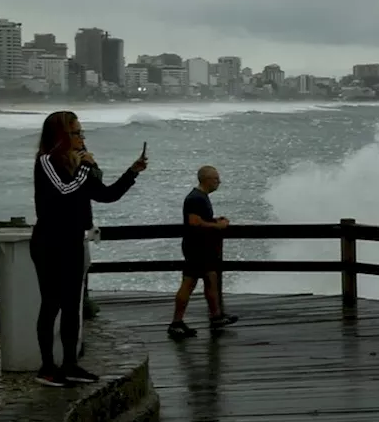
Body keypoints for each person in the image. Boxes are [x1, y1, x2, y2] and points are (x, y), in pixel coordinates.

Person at [31, 111, 147, 387]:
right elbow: (64, 189)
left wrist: (131, 173)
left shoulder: (79, 167)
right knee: (52, 303)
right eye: (76, 133)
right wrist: (86, 167)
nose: (81, 138)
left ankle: (70, 364)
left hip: (72, 240)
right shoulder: (46, 162)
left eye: (82, 133)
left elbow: (106, 195)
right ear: (60, 135)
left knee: (73, 305)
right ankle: (47, 367)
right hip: (49, 241)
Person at [168, 165, 238, 339]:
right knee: (189, 284)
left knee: (211, 279)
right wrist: (218, 226)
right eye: (216, 178)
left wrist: (214, 220)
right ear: (206, 179)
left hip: (202, 247)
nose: (219, 182)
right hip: (196, 247)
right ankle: (176, 323)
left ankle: (216, 316)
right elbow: (193, 222)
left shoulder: (201, 197)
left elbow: (200, 219)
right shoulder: (196, 198)